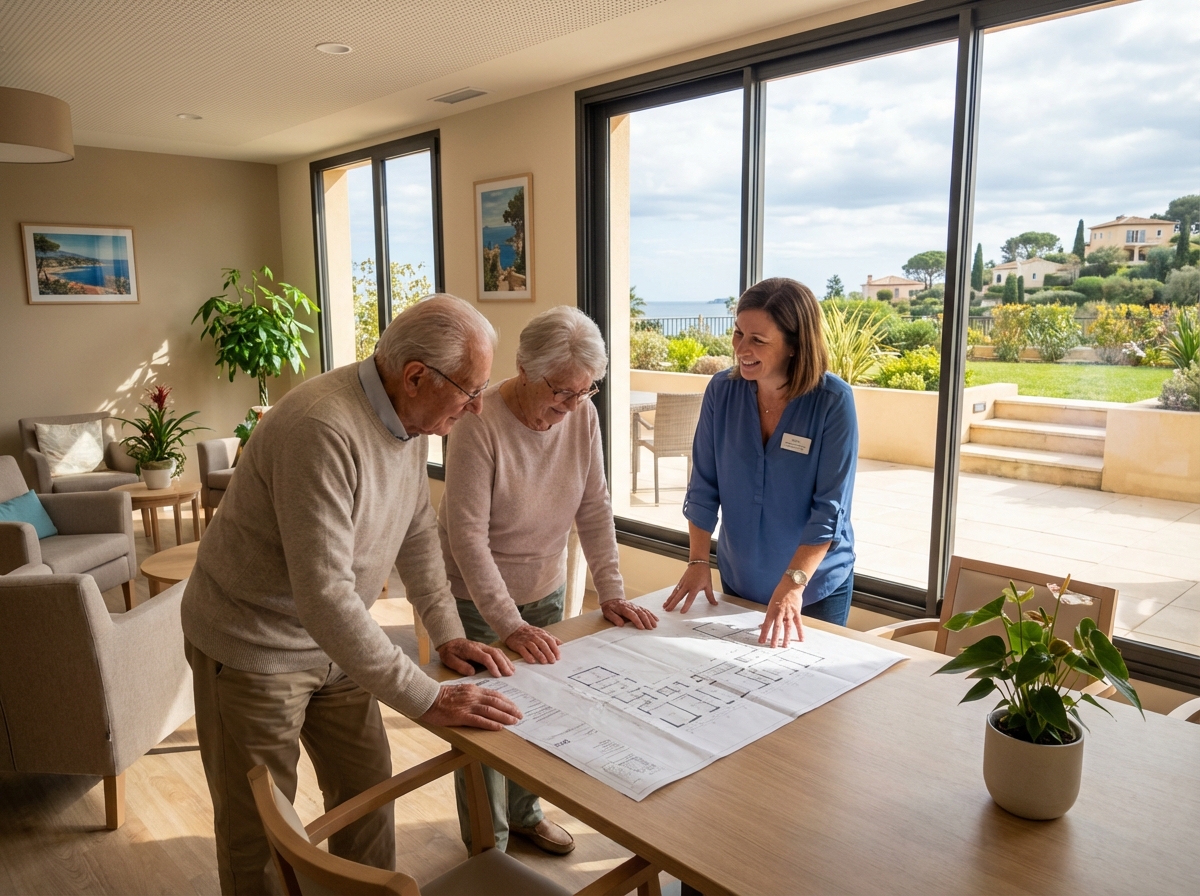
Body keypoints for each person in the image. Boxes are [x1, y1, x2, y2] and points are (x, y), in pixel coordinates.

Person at [181, 294, 524, 895]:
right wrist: (425, 697)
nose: (474, 409)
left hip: (335, 644)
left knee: (367, 796)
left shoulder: (412, 416)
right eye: (470, 392)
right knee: (258, 832)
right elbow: (325, 594)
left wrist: (446, 631)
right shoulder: (321, 427)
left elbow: (417, 528)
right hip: (252, 648)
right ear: (416, 376)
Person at [439, 305, 658, 855]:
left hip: (545, 588)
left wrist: (612, 592)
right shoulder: (478, 420)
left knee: (539, 715)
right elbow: (466, 537)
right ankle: (488, 848)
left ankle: (527, 814)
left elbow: (594, 507)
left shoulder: (581, 416)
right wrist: (506, 623)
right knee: (485, 724)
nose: (568, 406)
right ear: (523, 368)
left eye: (582, 393)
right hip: (477, 600)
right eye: (560, 392)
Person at [664, 277, 858, 646]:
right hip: (741, 578)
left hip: (811, 587)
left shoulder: (832, 401)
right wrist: (698, 561)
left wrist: (792, 584)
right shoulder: (722, 392)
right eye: (738, 333)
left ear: (794, 345)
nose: (741, 349)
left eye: (758, 340)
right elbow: (704, 486)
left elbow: (830, 510)